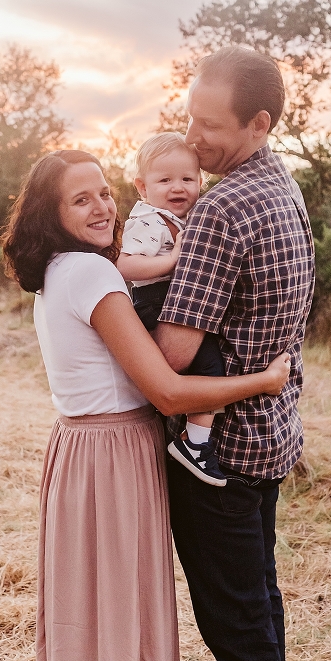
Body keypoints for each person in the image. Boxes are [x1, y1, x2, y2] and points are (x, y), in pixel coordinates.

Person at [0, 148, 291, 661]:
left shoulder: (60, 271)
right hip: (110, 456)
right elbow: (166, 389)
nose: (101, 208)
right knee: (94, 617)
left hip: (83, 449)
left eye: (104, 193)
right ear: (52, 215)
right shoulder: (95, 273)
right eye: (81, 200)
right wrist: (262, 380)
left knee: (83, 607)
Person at [150, 47, 316, 661]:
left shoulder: (220, 209)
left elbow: (176, 353)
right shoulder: (282, 186)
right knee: (262, 612)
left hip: (219, 457)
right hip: (271, 436)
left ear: (259, 123)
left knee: (241, 634)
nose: (194, 138)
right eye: (189, 119)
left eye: (210, 126)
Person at [117, 132, 228, 487]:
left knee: (210, 361)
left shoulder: (183, 215)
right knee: (209, 364)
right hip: (154, 301)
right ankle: (194, 444)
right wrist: (172, 260)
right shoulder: (148, 221)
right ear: (142, 187)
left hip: (170, 297)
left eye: (187, 179)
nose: (177, 187)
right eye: (164, 180)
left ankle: (190, 434)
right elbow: (124, 266)